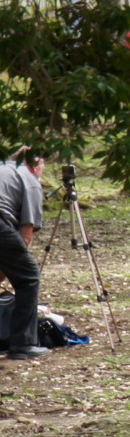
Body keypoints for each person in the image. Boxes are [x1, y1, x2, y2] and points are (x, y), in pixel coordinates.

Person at [0, 149, 51, 360]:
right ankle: (23, 344)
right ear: (34, 166)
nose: (41, 173)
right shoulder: (30, 180)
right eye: (41, 169)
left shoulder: (5, 167)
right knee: (28, 277)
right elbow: (25, 235)